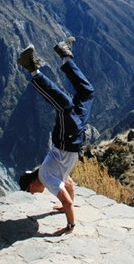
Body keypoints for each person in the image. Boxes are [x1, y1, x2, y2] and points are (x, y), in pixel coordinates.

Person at [17, 37, 94, 235]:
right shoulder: (51, 176)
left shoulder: (46, 178)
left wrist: (70, 224)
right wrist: (67, 206)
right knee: (87, 93)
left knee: (65, 105)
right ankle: (65, 55)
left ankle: (32, 70)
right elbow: (69, 185)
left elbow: (66, 198)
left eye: (29, 190)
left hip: (66, 139)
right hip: (74, 138)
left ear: (33, 184)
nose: (32, 194)